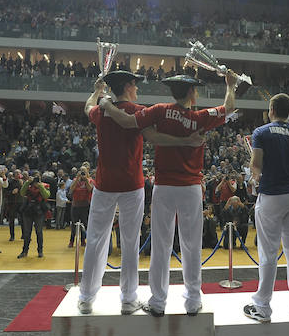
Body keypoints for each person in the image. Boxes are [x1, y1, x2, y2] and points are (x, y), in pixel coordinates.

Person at [100, 71, 237, 316]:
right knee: (191, 245)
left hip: (164, 187)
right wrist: (230, 85)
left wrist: (106, 104)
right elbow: (229, 106)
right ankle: (193, 301)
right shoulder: (201, 117)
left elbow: (127, 122)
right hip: (191, 189)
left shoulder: (159, 110)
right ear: (192, 94)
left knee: (161, 245)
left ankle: (158, 301)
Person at [78, 71, 203, 315]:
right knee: (130, 241)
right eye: (135, 85)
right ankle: (128, 299)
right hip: (132, 185)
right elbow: (155, 138)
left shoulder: (102, 111)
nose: (137, 90)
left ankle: (86, 297)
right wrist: (186, 141)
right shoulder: (138, 111)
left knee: (95, 240)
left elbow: (87, 107)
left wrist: (96, 92)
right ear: (127, 86)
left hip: (104, 185)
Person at [243, 93, 289, 323]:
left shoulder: (261, 132)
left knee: (268, 252)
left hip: (271, 196)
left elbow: (256, 165)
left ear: (271, 109)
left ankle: (262, 306)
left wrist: (254, 176)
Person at [18, 171, 49, 258]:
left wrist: (40, 186)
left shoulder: (44, 185)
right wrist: (27, 182)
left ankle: (40, 251)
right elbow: (22, 193)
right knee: (27, 232)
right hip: (28, 210)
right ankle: (24, 251)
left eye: (37, 178)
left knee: (39, 231)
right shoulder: (28, 185)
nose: (35, 180)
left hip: (39, 211)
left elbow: (46, 195)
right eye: (34, 178)